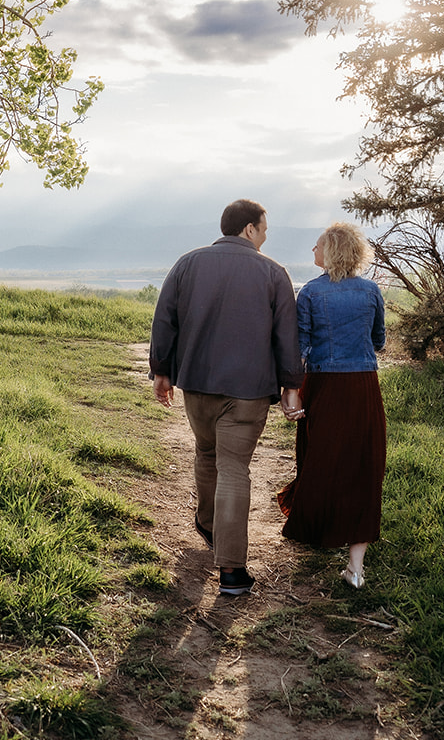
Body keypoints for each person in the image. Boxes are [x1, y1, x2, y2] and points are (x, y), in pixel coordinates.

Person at [149, 199, 304, 597]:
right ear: (249, 229)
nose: (266, 236)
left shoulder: (187, 264)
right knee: (234, 468)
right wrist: (291, 385)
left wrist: (161, 372)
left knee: (205, 453)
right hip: (249, 390)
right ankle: (232, 571)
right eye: (264, 229)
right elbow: (287, 337)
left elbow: (165, 318)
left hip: (197, 383)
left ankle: (208, 523)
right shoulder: (273, 273)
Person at [278, 220, 386, 588]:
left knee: (321, 456)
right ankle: (356, 567)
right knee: (363, 463)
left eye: (318, 245)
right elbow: (379, 340)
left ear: (332, 251)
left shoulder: (309, 293)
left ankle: (317, 529)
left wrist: (290, 388)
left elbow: (301, 347)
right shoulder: (371, 291)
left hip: (323, 382)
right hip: (362, 385)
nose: (313, 251)